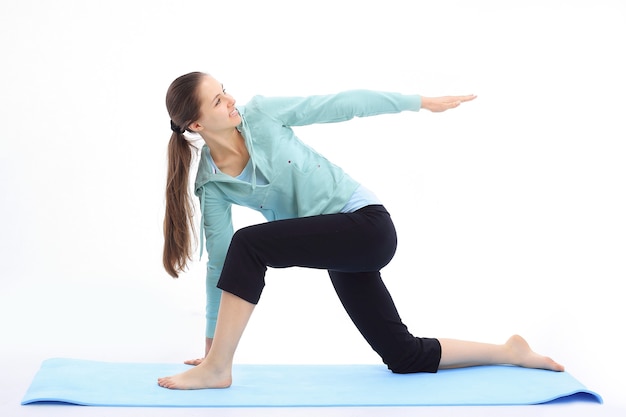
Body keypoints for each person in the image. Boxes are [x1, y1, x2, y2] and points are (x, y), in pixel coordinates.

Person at [158, 71, 564, 390]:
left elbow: (340, 104)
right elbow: (221, 265)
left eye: (225, 90)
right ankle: (509, 351)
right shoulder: (211, 185)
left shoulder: (261, 114)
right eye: (218, 100)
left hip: (366, 225)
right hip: (338, 246)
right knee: (402, 356)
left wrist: (417, 102)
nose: (231, 100)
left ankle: (219, 371)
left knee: (251, 245)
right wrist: (210, 344)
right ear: (195, 123)